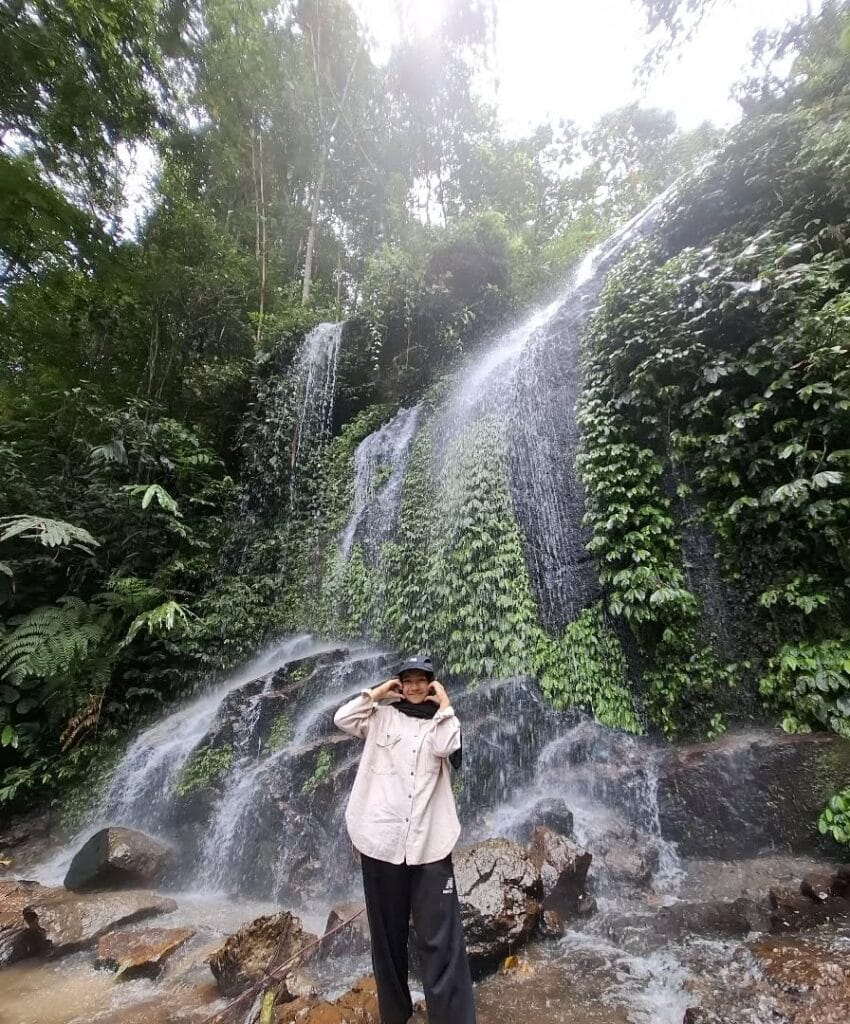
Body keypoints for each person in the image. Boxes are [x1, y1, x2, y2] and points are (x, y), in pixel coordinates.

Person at [333, 654, 477, 1024]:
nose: (414, 687)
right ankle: (395, 1015)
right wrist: (379, 693)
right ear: (400, 682)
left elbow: (450, 744)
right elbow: (342, 718)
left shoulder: (440, 724)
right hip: (382, 842)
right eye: (407, 680)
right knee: (386, 939)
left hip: (429, 844)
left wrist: (444, 703)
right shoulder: (381, 717)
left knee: (442, 940)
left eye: (421, 680)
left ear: (431, 683)